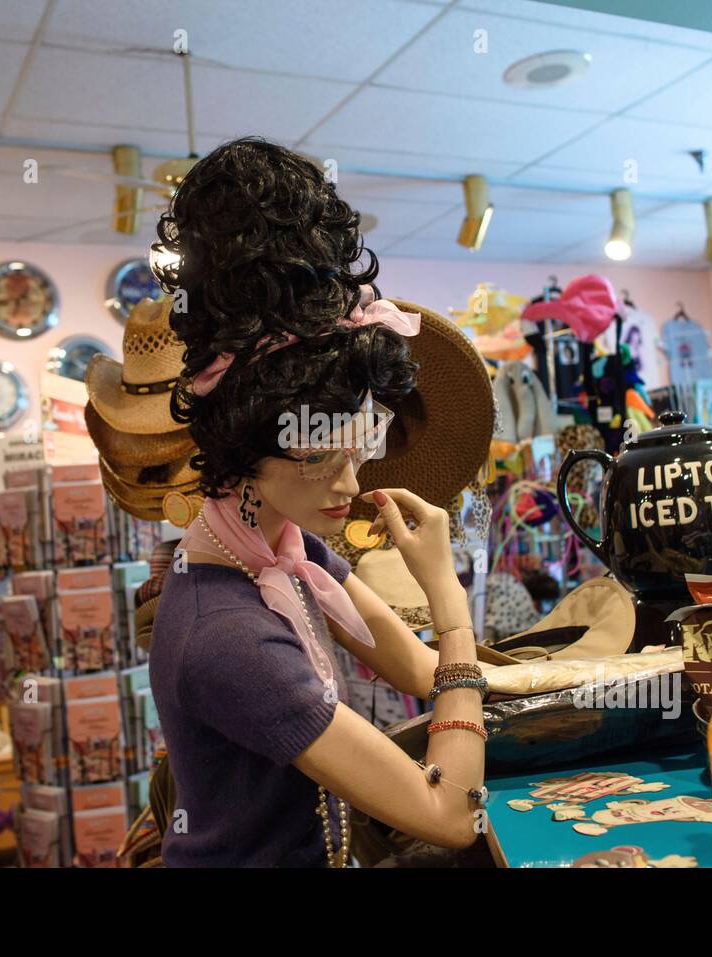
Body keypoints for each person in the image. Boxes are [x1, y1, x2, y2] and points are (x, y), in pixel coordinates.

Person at [146, 138, 486, 867]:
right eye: (319, 449)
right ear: (243, 442)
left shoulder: (289, 554)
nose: (351, 480)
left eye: (358, 440)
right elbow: (450, 811)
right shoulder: (227, 634)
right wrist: (447, 600)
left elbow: (425, 676)